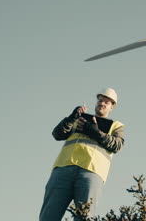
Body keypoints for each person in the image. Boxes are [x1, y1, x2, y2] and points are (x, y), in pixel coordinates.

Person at [39, 88, 125, 221]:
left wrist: (96, 133)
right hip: (63, 168)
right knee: (49, 215)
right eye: (100, 100)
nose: (102, 103)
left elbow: (117, 145)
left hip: (91, 172)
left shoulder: (116, 125)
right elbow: (57, 134)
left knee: (84, 217)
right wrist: (71, 118)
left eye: (107, 102)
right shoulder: (78, 119)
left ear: (112, 106)